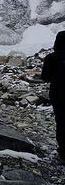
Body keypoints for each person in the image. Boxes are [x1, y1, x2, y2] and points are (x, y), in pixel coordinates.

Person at [42, 31, 65, 164]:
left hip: (59, 95)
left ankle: (63, 154)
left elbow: (46, 77)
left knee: (62, 123)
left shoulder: (51, 58)